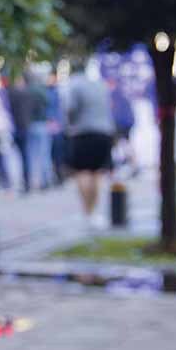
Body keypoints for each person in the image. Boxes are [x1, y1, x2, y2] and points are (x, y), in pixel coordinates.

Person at [64, 65, 116, 228]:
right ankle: (94, 212)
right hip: (104, 132)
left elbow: (70, 109)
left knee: (82, 172)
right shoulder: (101, 85)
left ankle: (87, 211)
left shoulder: (74, 85)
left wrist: (70, 125)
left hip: (82, 133)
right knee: (97, 174)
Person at [6, 71, 47, 192]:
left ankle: (29, 181)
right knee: (39, 154)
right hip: (30, 125)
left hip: (20, 127)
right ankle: (39, 181)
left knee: (27, 155)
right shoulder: (33, 92)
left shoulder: (13, 93)